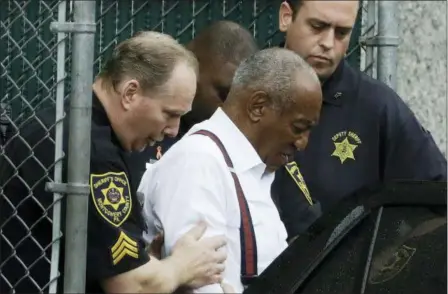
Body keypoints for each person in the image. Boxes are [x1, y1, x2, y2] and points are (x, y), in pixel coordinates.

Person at [0, 31, 229, 294]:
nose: (174, 130)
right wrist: (181, 266)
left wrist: (151, 265)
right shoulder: (89, 150)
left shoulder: (66, 124)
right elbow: (132, 286)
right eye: (169, 114)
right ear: (130, 93)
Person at [138, 47, 323, 293]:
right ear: (258, 107)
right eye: (299, 127)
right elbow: (202, 286)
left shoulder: (251, 167)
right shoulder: (199, 161)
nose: (303, 142)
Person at [273, 0, 447, 239]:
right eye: (317, 26)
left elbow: (438, 196)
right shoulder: (244, 91)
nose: (327, 43)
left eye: (342, 32)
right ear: (286, 17)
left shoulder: (377, 106)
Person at [128, 21, 258, 182]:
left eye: (241, 101)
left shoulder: (245, 147)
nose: (230, 110)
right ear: (193, 68)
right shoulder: (143, 129)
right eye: (224, 95)